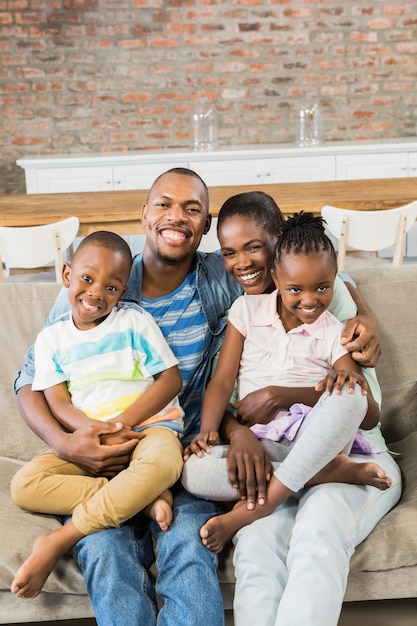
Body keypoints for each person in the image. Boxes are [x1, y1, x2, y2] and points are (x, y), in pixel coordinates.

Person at [13, 176, 385, 626]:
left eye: (191, 209)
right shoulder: (100, 276)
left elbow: (309, 274)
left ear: (204, 225)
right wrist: (65, 442)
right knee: (105, 552)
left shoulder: (220, 276)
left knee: (189, 546)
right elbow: (31, 378)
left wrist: (363, 312)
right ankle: (127, 504)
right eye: (164, 205)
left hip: (176, 446)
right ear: (144, 213)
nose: (176, 217)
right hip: (97, 456)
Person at [198, 192, 401, 626]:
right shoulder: (240, 305)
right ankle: (284, 491)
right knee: (254, 550)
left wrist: (284, 393)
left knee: (315, 537)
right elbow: (221, 388)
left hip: (350, 448)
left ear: (278, 240)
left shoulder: (331, 303)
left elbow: (361, 405)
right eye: (231, 252)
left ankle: (271, 499)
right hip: (274, 453)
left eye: (254, 246)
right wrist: (231, 431)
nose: (242, 262)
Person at [11, 231, 185, 599]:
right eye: (87, 279)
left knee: (165, 464)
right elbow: (57, 402)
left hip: (147, 431)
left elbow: (170, 381)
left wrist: (123, 425)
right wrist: (93, 432)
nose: (96, 293)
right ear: (66, 276)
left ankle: (60, 538)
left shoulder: (133, 321)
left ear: (122, 292)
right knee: (24, 486)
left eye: (111, 287)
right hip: (89, 440)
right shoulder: (51, 340)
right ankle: (141, 498)